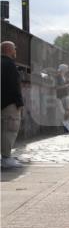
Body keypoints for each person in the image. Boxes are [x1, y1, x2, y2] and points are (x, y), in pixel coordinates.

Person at [1, 41, 25, 170]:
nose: (16, 51)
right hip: (9, 103)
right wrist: (19, 103)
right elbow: (14, 86)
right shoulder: (10, 65)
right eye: (15, 49)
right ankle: (6, 158)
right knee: (9, 130)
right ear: (10, 50)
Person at [56, 64, 69, 131]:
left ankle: (67, 124)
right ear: (62, 69)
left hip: (66, 95)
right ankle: (66, 124)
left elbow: (64, 85)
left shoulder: (63, 76)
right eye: (66, 69)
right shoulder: (58, 76)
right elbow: (57, 87)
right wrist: (67, 85)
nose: (67, 70)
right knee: (68, 110)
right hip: (62, 95)